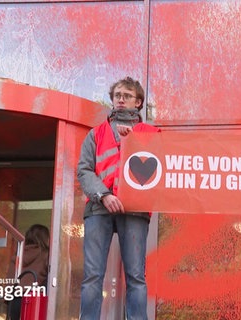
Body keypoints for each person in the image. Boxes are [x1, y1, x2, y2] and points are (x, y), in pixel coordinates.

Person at [77, 76, 160, 320]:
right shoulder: (95, 134)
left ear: (139, 103)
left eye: (127, 95)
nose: (121, 99)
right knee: (93, 275)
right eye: (117, 95)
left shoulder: (152, 134)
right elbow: (84, 169)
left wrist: (134, 140)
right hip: (98, 206)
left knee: (136, 276)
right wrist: (103, 195)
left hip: (135, 209)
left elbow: (161, 165)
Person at [6, 224, 50, 320]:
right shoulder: (46, 254)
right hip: (34, 301)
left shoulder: (19, 254)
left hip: (15, 301)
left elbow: (9, 281)